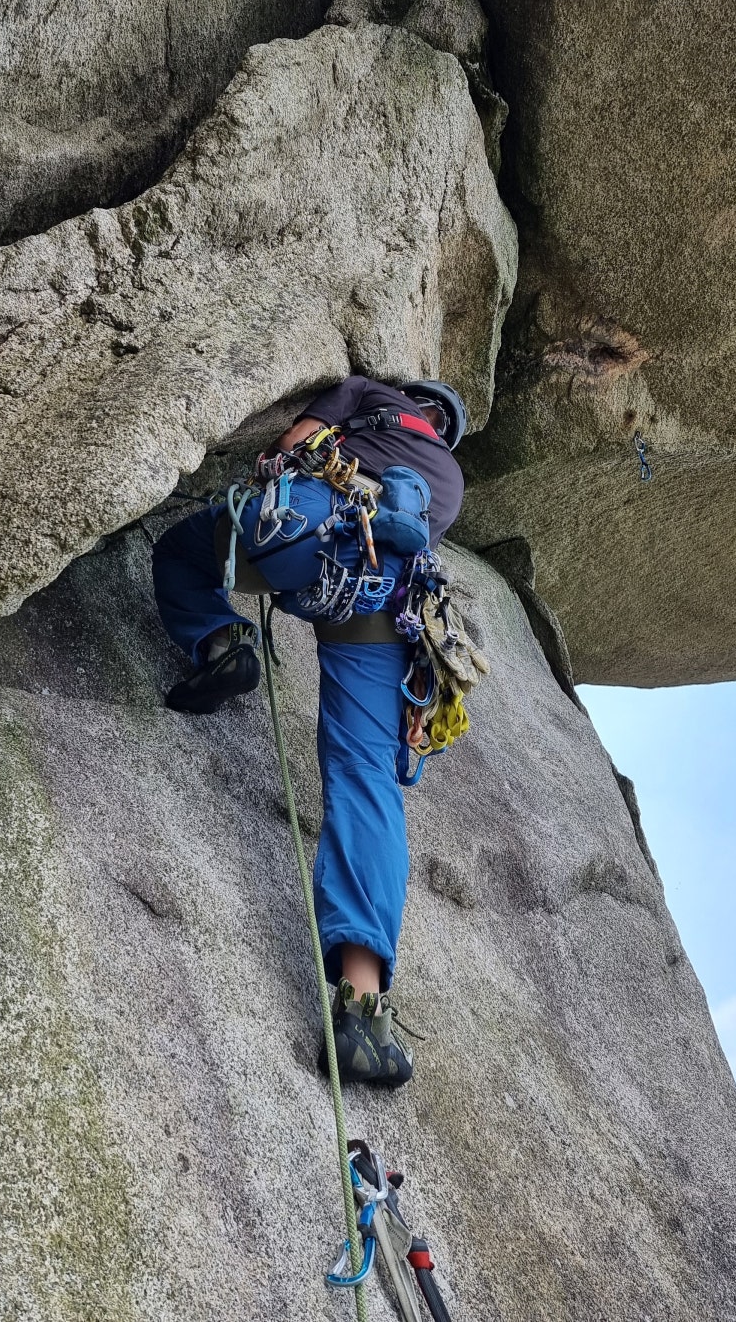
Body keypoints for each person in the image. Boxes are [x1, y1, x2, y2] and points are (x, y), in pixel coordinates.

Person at [151, 376, 467, 1086]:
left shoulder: (368, 393)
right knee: (365, 781)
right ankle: (362, 1010)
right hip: (384, 601)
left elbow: (295, 443)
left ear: (408, 399)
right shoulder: (448, 483)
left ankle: (222, 645)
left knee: (179, 552)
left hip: (308, 530)